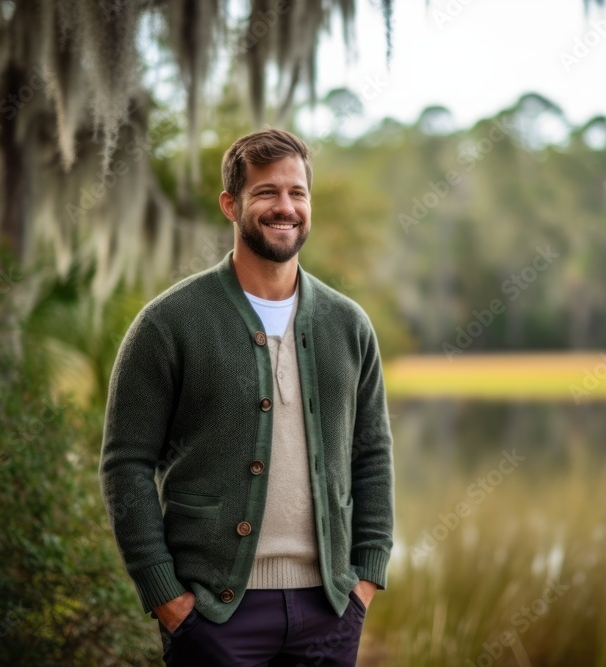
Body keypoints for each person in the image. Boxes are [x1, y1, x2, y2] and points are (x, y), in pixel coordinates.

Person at [99, 128, 395, 666]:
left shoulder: (348, 325)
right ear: (230, 205)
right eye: (266, 192)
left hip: (330, 610)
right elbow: (127, 463)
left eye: (297, 192)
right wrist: (167, 598)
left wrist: (366, 579)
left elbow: (372, 455)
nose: (285, 207)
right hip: (214, 615)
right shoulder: (169, 324)